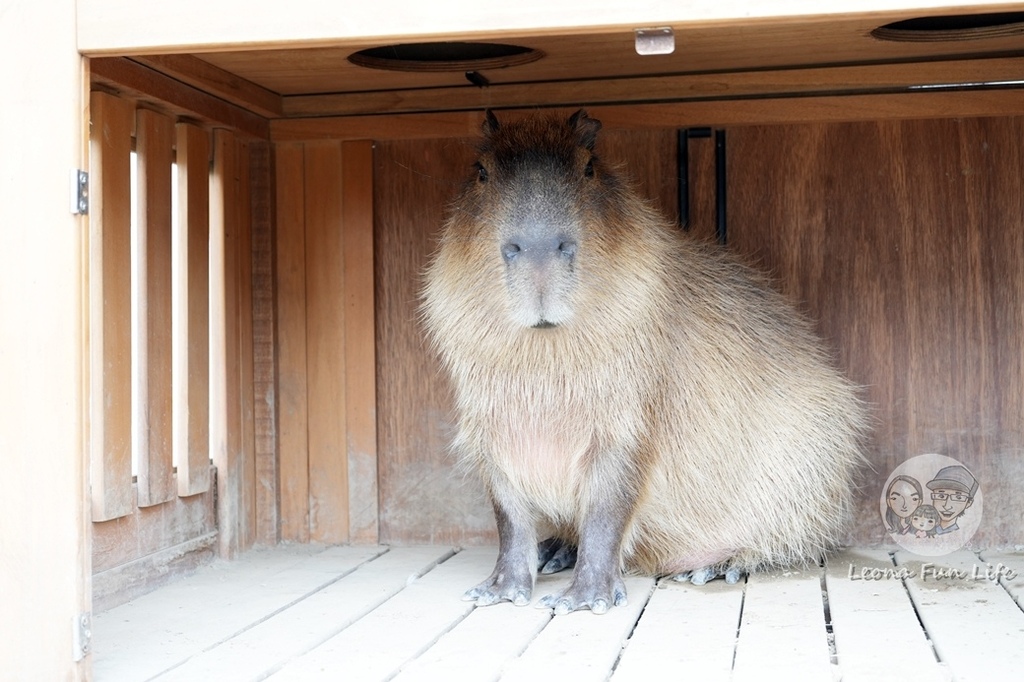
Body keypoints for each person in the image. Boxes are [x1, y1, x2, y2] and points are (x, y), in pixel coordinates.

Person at [926, 465, 978, 535]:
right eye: (941, 496)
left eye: (958, 498)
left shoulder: (963, 534)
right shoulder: (921, 530)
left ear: (968, 503)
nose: (947, 506)